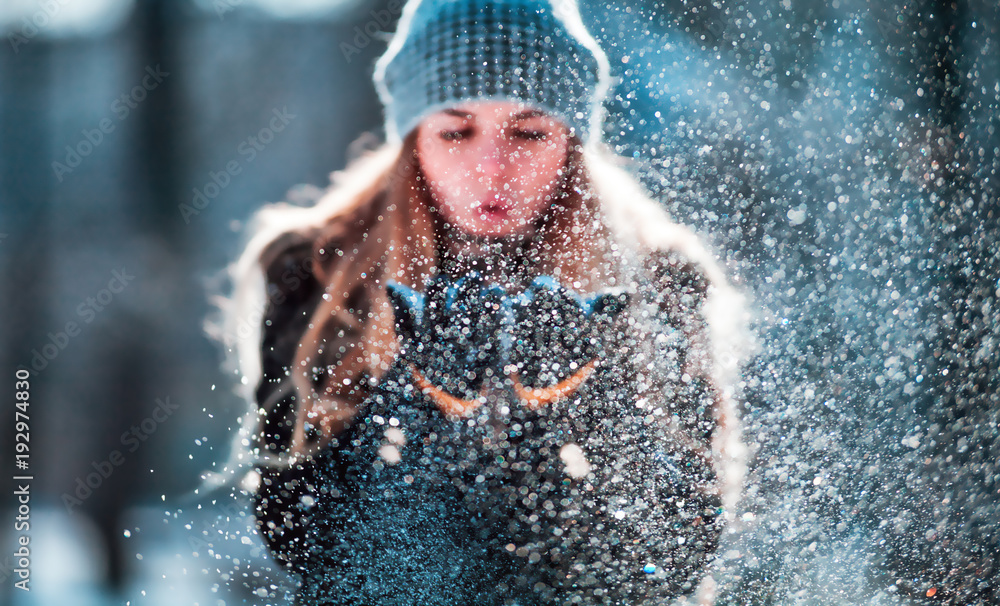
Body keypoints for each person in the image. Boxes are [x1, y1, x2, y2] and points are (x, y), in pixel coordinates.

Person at [215, 0, 749, 603]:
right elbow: (302, 538)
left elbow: (675, 554)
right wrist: (421, 417)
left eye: (528, 131)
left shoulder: (659, 277)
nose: (492, 168)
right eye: (456, 131)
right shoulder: (317, 269)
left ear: (573, 142)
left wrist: (582, 417)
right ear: (413, 138)